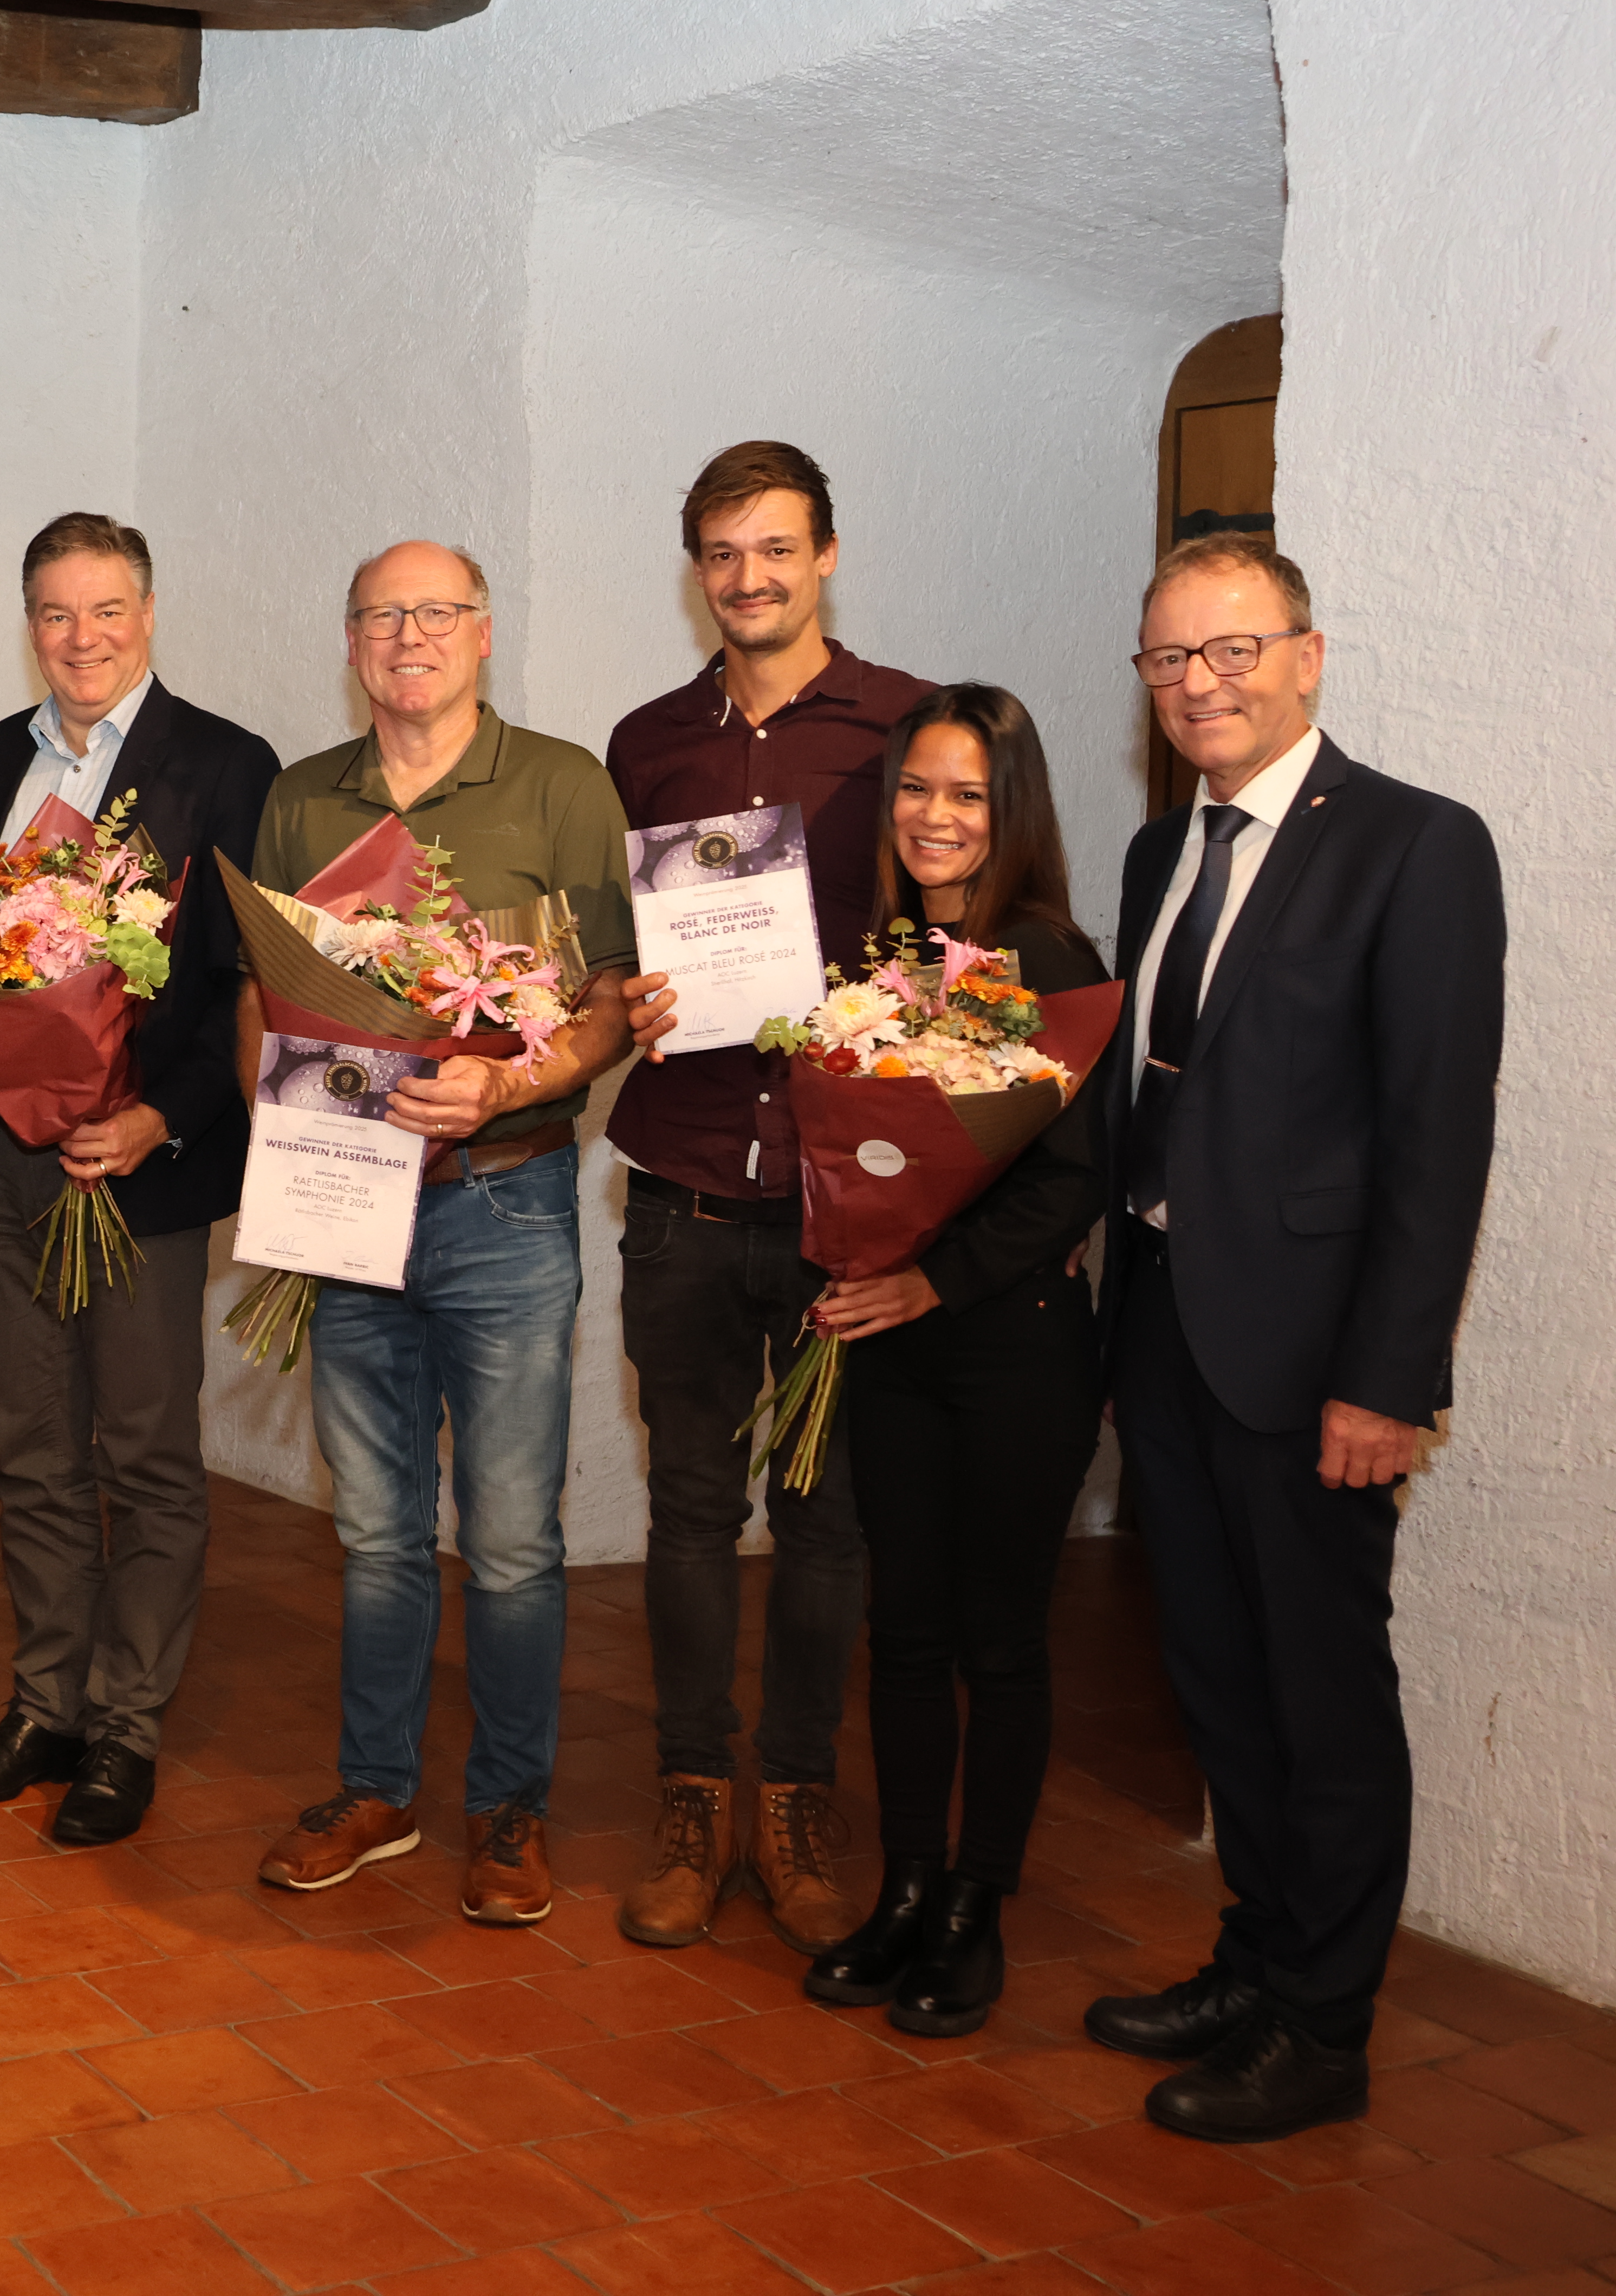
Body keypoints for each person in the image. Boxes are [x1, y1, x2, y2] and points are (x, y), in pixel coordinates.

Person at [1083, 538, 1501, 2142]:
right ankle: (1256, 1958)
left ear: (1308, 657)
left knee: (1320, 1692)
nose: (1203, 684)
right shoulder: (1155, 856)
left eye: (1233, 650)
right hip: (1172, 1338)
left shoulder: (1415, 847)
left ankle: (1325, 2029)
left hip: (1315, 1363)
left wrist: (1387, 1380)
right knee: (1216, 1677)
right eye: (1171, 660)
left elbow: (1433, 1137)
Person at [240, 543, 633, 1923]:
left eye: (437, 613)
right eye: (383, 616)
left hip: (506, 1202)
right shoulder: (303, 797)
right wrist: (286, 1123)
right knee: (376, 1531)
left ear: (483, 633)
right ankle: (376, 1788)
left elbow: (603, 1002)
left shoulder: (565, 785)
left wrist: (508, 1083)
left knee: (514, 1537)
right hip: (351, 1203)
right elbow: (264, 995)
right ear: (353, 642)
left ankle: (512, 1812)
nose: (410, 636)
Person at [603, 441, 935, 1956]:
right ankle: (692, 1791)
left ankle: (798, 1796)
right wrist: (633, 995)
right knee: (685, 1508)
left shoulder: (904, 727)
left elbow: (946, 940)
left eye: (777, 548)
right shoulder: (647, 740)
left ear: (829, 552)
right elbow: (617, 953)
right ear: (699, 570)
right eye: (725, 554)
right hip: (680, 1179)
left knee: (825, 1524)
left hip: (829, 1200)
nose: (751, 577)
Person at [0, 512, 276, 1847]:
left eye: (108, 610)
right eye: (58, 615)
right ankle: (43, 1706)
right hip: (0, 1157)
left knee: (145, 1450)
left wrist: (163, 1120)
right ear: (32, 625)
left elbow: (248, 986)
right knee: (31, 1450)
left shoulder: (228, 763)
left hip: (137, 1164)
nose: (83, 638)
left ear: (149, 610)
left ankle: (126, 1726)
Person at [793, 685, 1108, 2035]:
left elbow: (1073, 1182)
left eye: (967, 794)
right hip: (895, 1344)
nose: (935, 816)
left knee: (1000, 1638)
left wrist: (931, 1271)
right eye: (916, 789)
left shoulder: (1052, 958)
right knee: (904, 1630)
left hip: (1015, 1348)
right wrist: (852, 1248)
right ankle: (907, 1886)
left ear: (1011, 810)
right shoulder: (883, 957)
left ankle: (979, 1906)